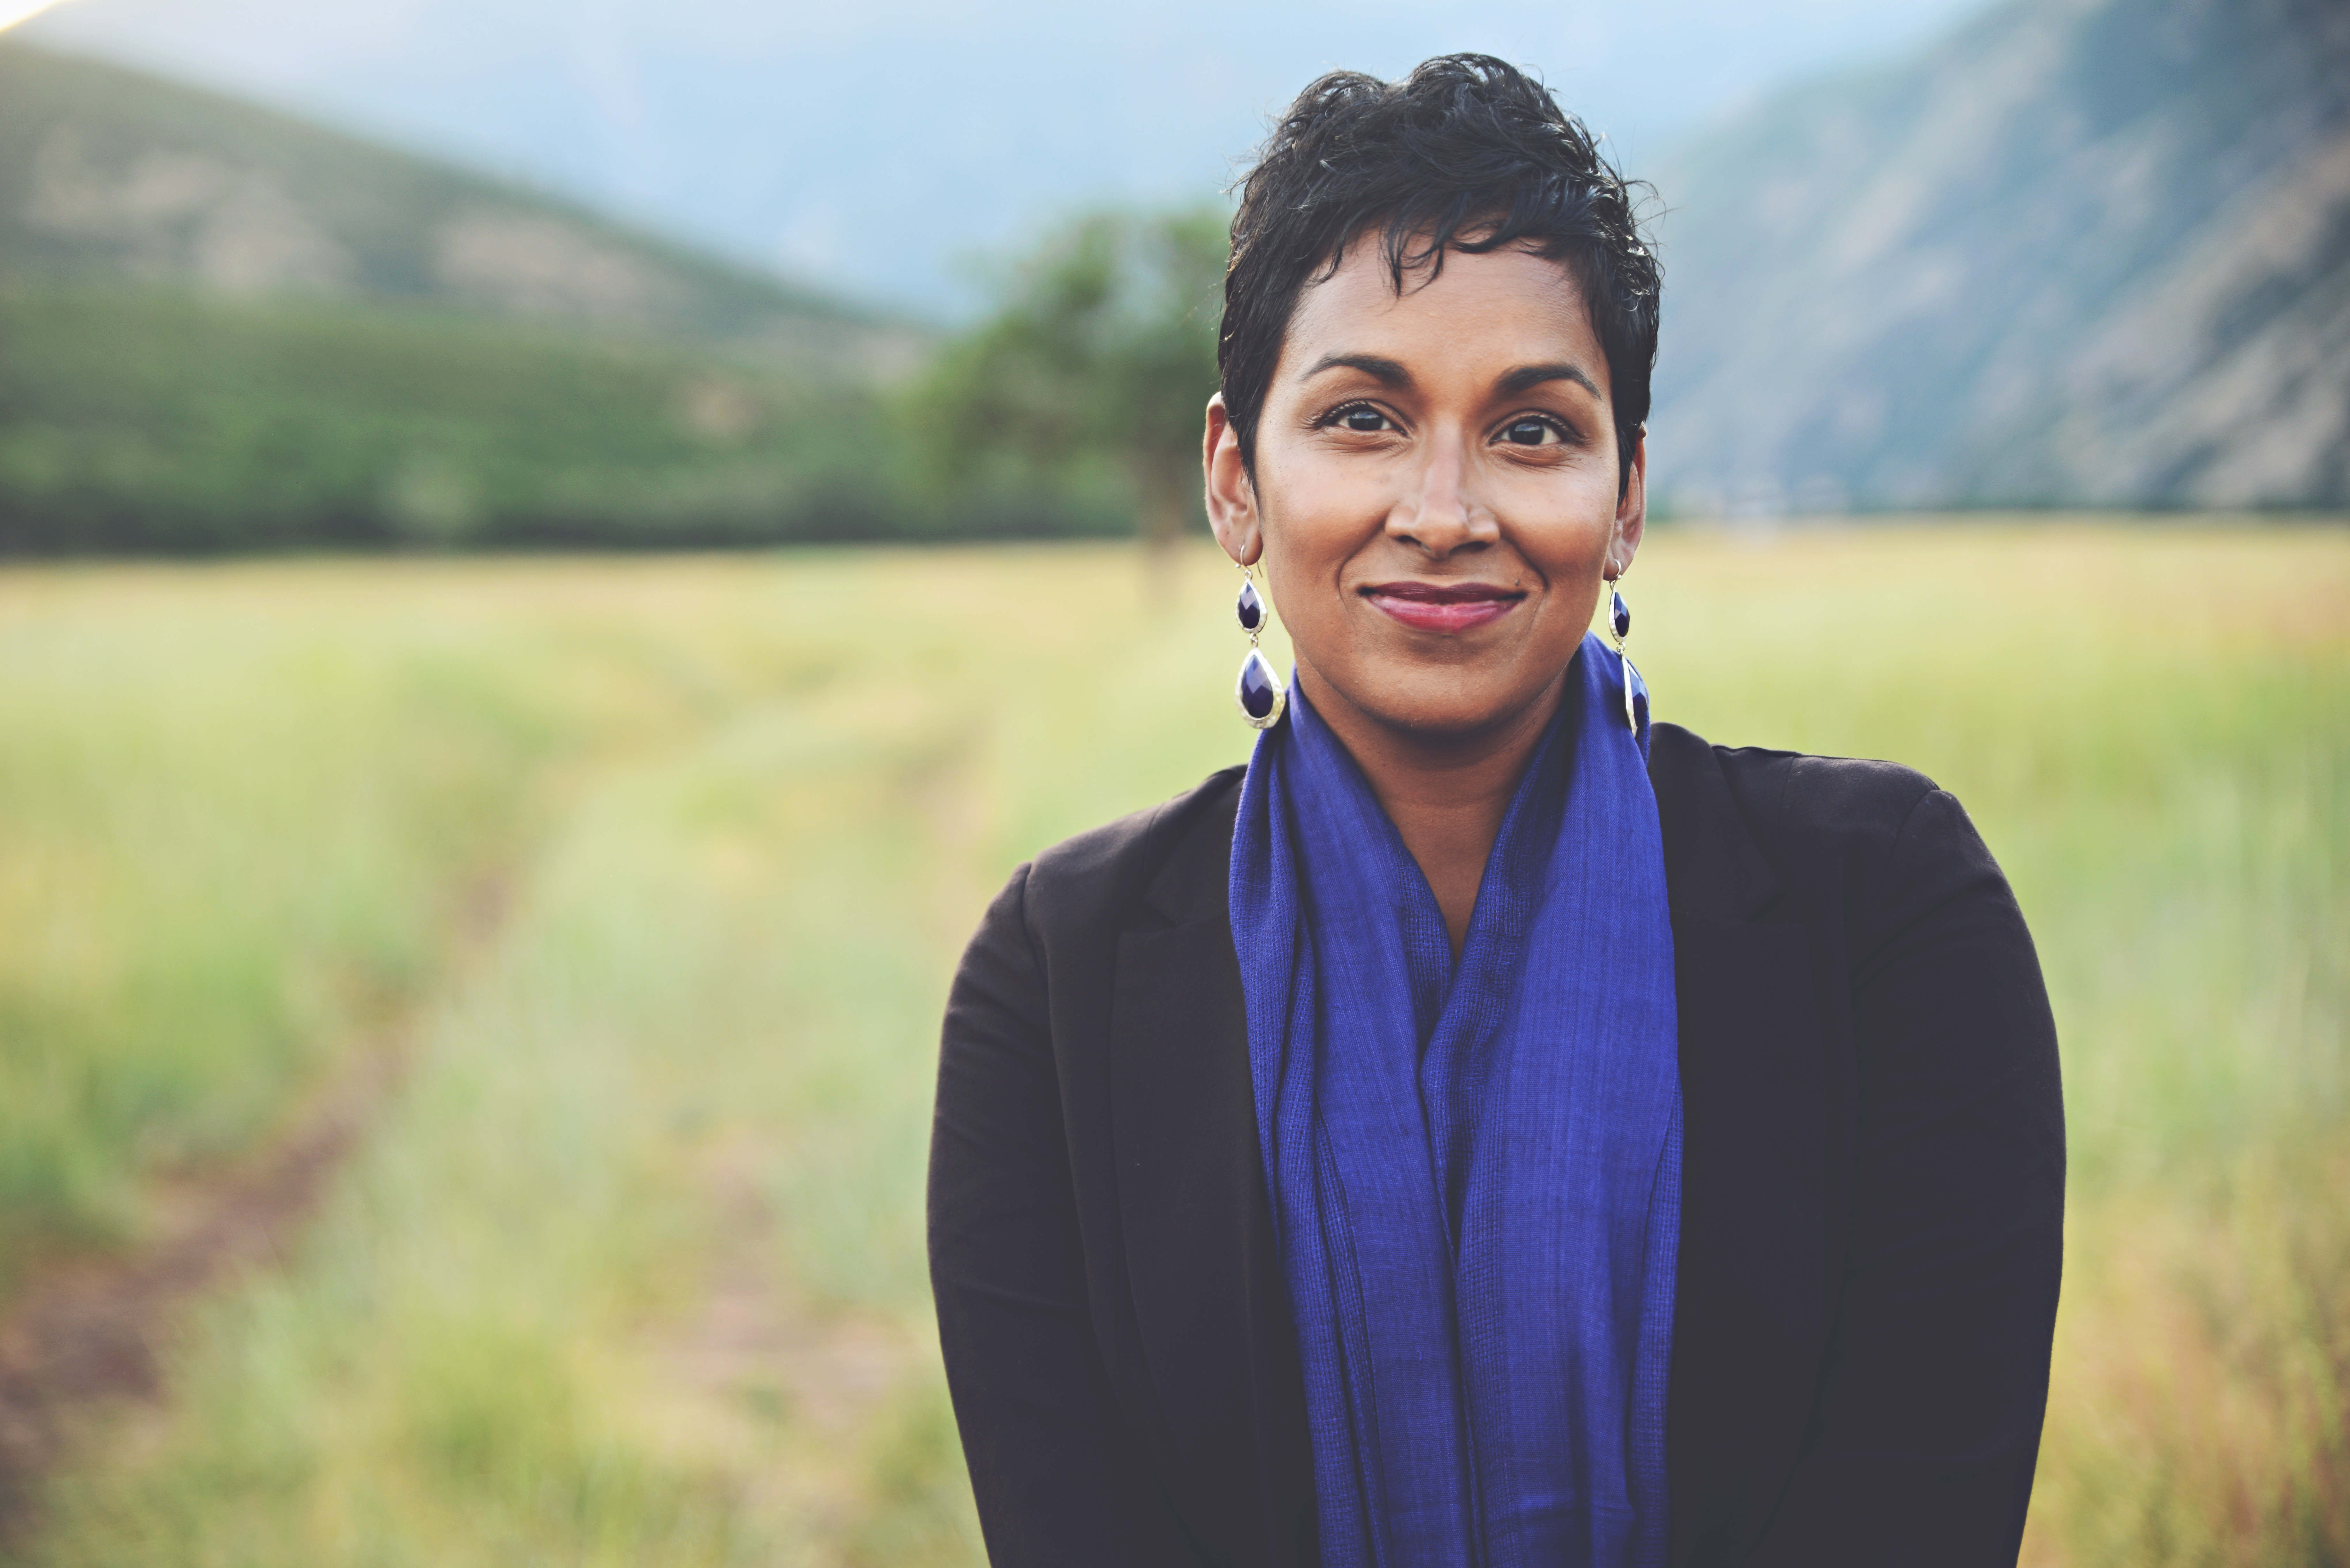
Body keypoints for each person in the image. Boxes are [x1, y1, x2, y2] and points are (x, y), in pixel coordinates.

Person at [927, 54, 2065, 1568]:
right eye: (1361, 419)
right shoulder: (1055, 981)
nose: (1448, 509)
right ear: (1232, 480)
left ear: (1627, 495)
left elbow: (1917, 1509)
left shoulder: (1890, 914)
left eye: (1532, 430)